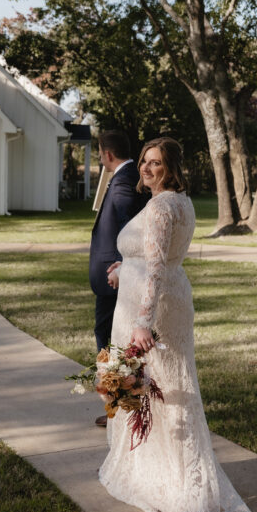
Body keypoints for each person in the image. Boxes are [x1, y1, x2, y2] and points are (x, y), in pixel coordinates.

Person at [99, 136, 251, 512]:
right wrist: (121, 268)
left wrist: (142, 324)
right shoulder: (176, 202)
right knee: (158, 388)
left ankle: (176, 484)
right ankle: (150, 468)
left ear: (172, 169)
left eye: (157, 163)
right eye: (146, 162)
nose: (148, 168)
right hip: (157, 299)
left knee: (161, 389)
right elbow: (155, 259)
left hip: (150, 310)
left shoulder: (164, 205)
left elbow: (155, 269)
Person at [89, 131, 149, 425]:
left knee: (112, 341)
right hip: (115, 276)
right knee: (113, 340)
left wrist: (122, 266)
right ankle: (120, 405)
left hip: (115, 278)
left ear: (107, 154)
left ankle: (118, 408)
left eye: (100, 153)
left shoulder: (124, 181)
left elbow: (132, 227)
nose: (100, 158)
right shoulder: (125, 177)